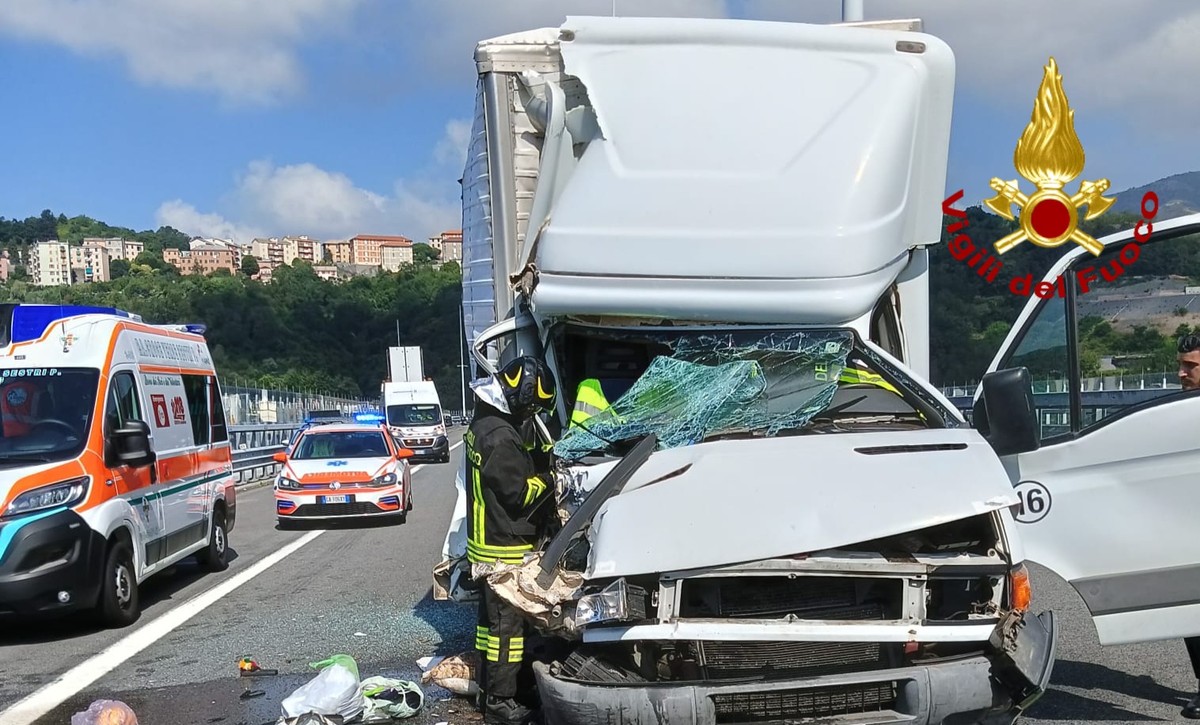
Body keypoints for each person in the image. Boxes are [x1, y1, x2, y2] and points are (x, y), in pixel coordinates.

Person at [463, 355, 558, 725]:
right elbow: (518, 494)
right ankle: (502, 704)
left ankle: (491, 689)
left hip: (486, 543)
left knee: (490, 628)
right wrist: (551, 481)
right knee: (508, 631)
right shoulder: (501, 438)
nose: (532, 412)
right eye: (532, 405)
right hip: (503, 548)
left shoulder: (486, 423)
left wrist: (535, 454)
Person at [1177, 333, 1200, 718]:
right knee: (1189, 611)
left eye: (1190, 367)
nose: (1181, 373)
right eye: (1180, 365)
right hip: (1186, 526)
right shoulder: (1178, 413)